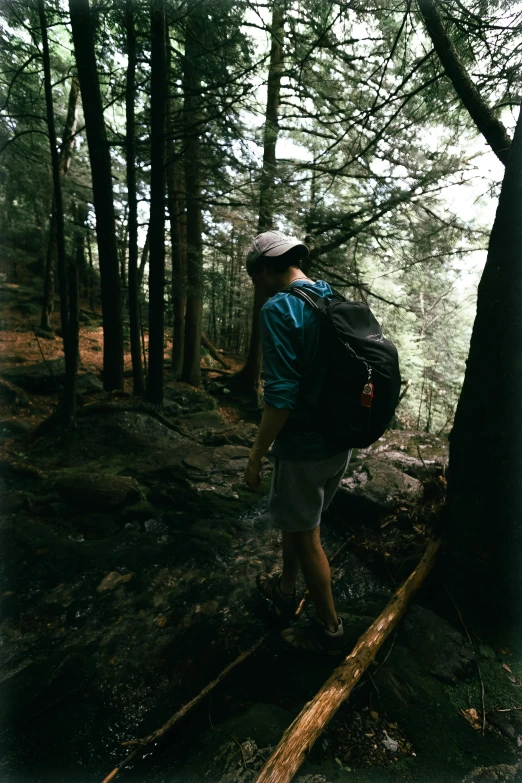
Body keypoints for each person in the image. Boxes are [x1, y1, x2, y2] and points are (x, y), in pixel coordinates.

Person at [243, 230, 352, 655]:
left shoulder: (279, 308)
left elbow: (282, 396)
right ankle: (286, 590)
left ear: (267, 270)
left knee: (309, 539)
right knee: (301, 521)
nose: (256, 284)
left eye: (256, 276)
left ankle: (330, 629)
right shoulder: (329, 297)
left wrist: (255, 454)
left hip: (303, 447)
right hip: (339, 442)